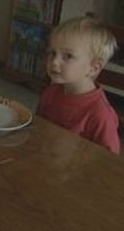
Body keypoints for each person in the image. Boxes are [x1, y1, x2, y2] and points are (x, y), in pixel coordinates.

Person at [37, 16, 120, 154]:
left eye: (68, 56)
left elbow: (108, 164)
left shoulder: (101, 115)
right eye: (52, 53)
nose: (54, 62)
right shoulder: (50, 92)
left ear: (93, 67)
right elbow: (37, 128)